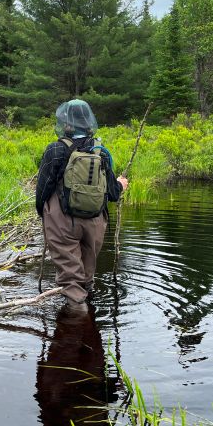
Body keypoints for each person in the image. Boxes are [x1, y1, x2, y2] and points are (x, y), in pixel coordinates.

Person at [35, 99, 128, 310]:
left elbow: (42, 191)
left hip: (63, 223)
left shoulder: (55, 150)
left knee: (71, 283)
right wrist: (121, 185)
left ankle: (77, 323)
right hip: (95, 223)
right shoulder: (101, 151)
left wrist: (44, 215)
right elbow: (112, 193)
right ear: (88, 123)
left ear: (66, 124)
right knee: (87, 277)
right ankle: (90, 329)